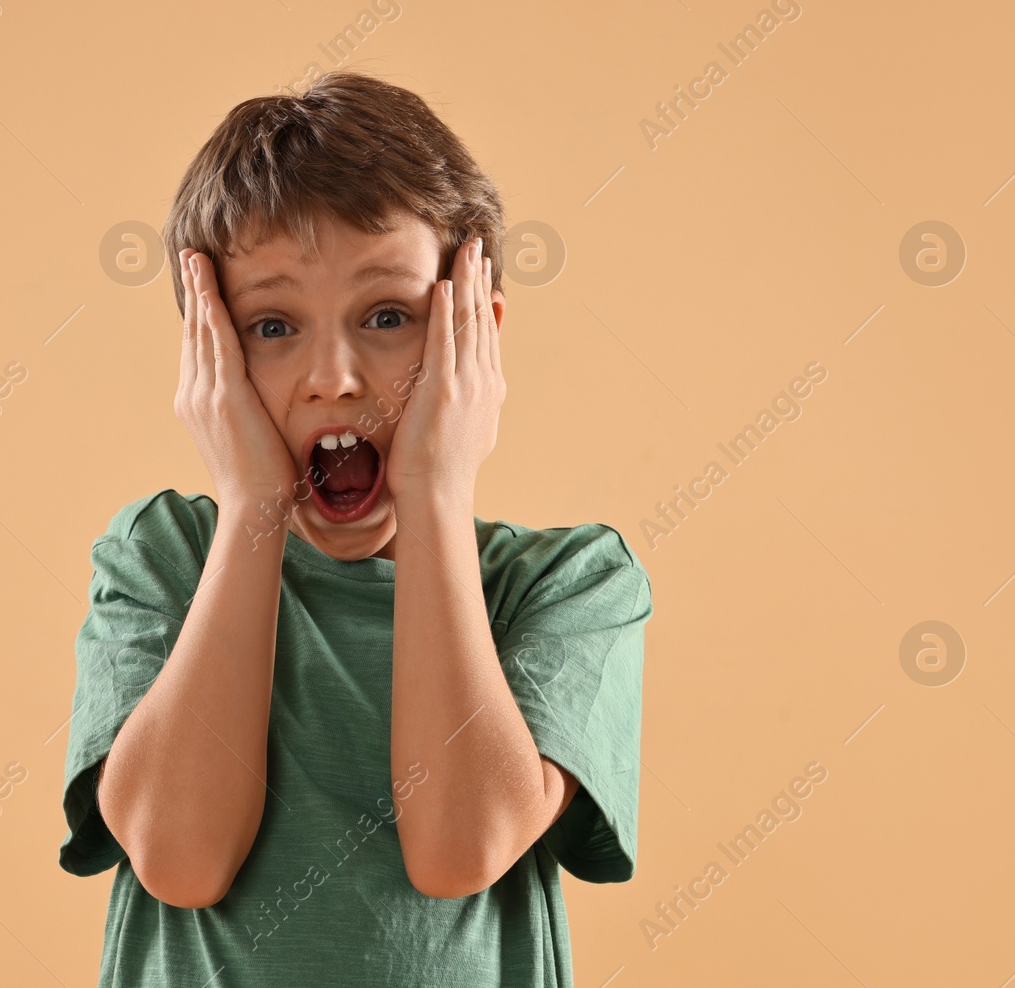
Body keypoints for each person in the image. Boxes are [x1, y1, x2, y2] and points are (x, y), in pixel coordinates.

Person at [58, 70, 654, 987]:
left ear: (476, 334)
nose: (332, 376)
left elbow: (461, 845)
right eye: (271, 324)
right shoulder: (163, 559)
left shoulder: (567, 582)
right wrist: (255, 505)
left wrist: (436, 492)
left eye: (387, 316)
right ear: (206, 352)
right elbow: (179, 858)